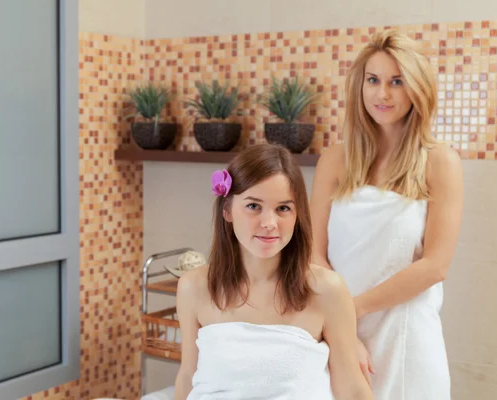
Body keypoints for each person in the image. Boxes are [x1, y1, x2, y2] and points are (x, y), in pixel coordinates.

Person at [309, 30, 463, 400]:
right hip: (340, 333)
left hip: (406, 339)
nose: (383, 94)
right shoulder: (335, 159)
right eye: (373, 80)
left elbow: (434, 266)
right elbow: (313, 252)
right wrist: (342, 330)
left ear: (417, 89)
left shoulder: (439, 162)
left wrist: (350, 310)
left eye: (397, 81)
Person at [174, 143, 373, 400]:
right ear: (227, 210)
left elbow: (352, 389)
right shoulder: (194, 287)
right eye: (254, 206)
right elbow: (188, 375)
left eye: (283, 208)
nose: (269, 223)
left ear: (297, 215)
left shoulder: (326, 290)